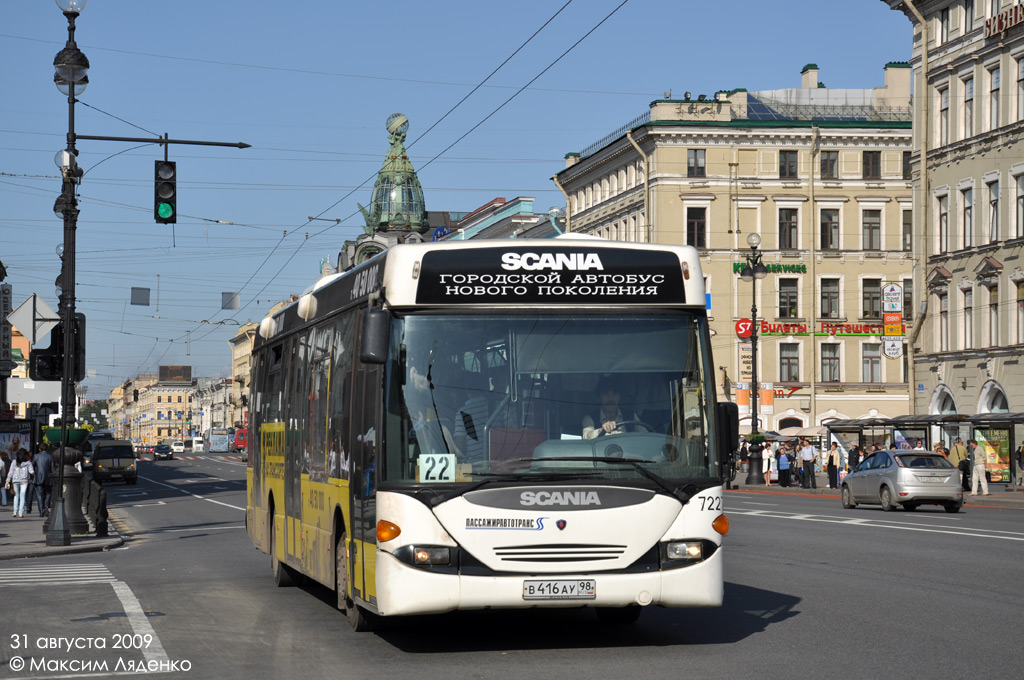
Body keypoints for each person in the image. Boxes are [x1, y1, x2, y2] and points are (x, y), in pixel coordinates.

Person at [5, 449, 33, 518]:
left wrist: (7, 482)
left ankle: (15, 512)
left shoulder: (14, 462)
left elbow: (10, 472)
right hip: (24, 481)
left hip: (15, 480)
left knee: (16, 496)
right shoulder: (28, 463)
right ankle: (21, 513)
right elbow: (32, 472)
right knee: (22, 496)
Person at [33, 445, 55, 518]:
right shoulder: (50, 456)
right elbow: (52, 469)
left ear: (39, 449)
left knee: (39, 495)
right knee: (48, 493)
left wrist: (34, 474)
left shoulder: (36, 456)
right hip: (48, 478)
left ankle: (41, 511)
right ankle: (46, 505)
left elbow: (32, 467)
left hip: (38, 478)